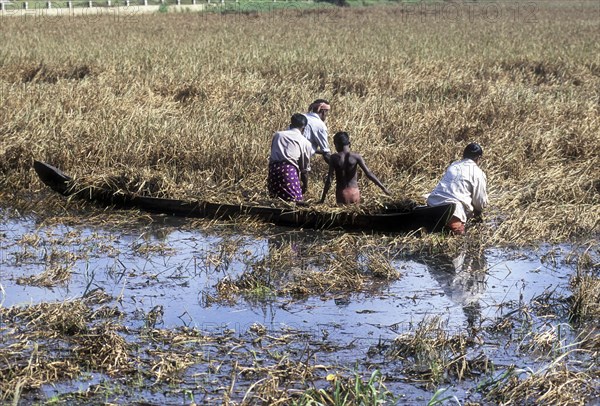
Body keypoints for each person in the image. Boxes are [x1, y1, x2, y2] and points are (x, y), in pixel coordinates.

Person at [426, 143, 488, 235]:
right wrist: (477, 215)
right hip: (453, 209)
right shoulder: (478, 173)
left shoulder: (453, 166)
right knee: (459, 234)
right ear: (478, 158)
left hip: (432, 202)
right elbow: (480, 202)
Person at [319, 131, 390, 205]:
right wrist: (384, 188)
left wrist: (322, 199)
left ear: (336, 144)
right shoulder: (356, 157)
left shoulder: (334, 158)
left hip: (342, 194)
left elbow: (329, 179)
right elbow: (369, 173)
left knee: (343, 216)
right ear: (349, 144)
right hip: (354, 193)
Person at [267, 113, 313, 202]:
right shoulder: (305, 142)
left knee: (275, 200)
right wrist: (305, 186)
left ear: (291, 125)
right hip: (288, 172)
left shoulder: (278, 135)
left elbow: (273, 151)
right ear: (304, 128)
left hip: (273, 170)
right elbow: (304, 169)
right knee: (294, 200)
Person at [303, 99, 332, 163]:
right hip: (298, 159)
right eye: (327, 112)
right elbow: (326, 154)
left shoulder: (301, 117)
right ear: (324, 112)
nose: (327, 115)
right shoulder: (320, 125)